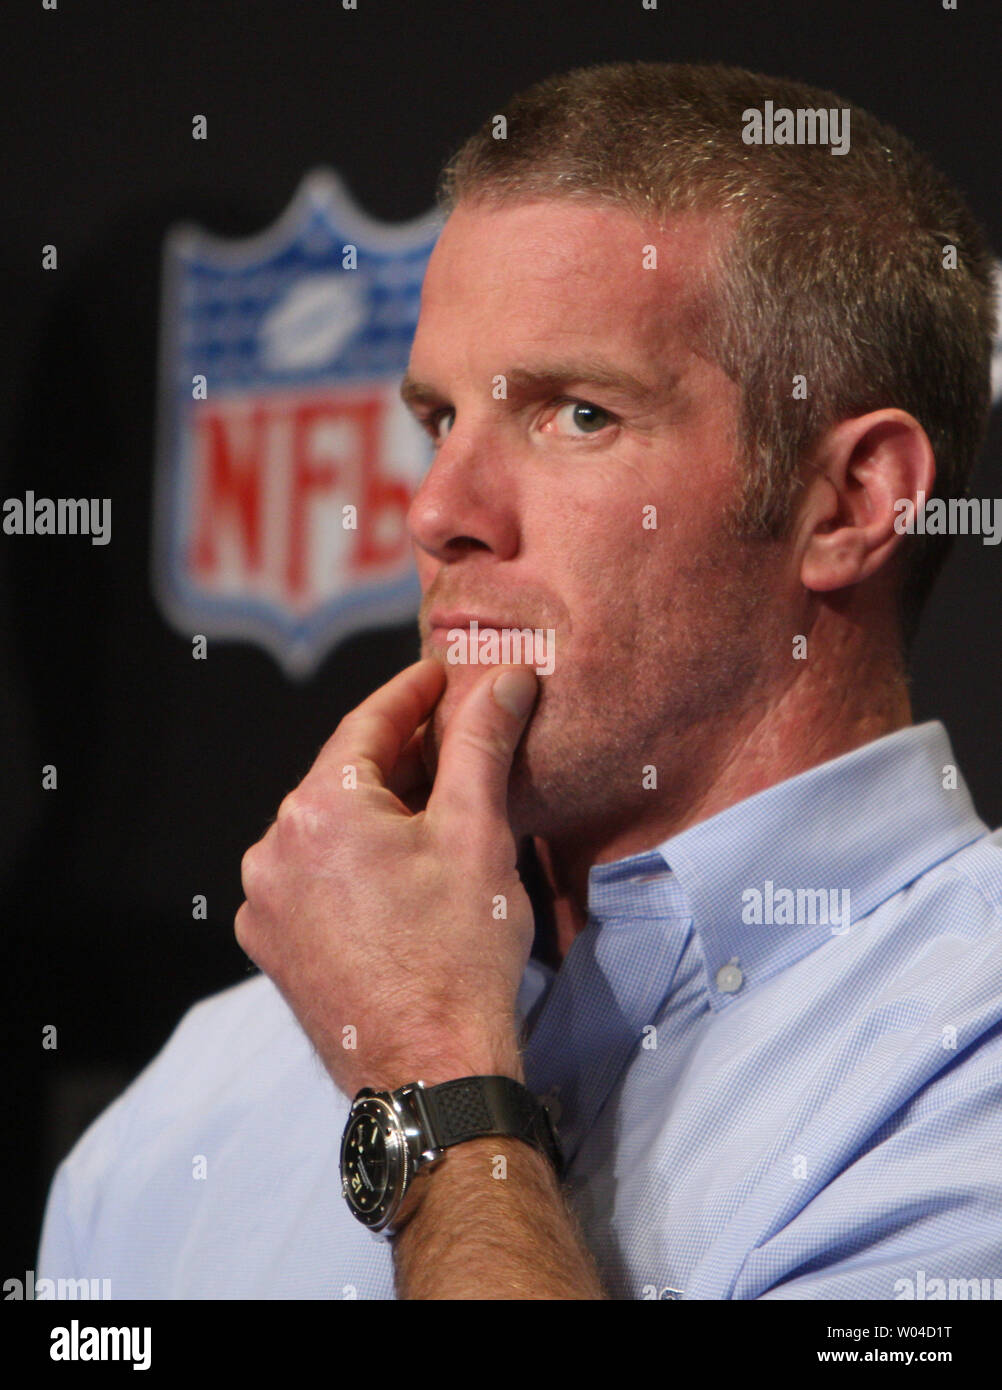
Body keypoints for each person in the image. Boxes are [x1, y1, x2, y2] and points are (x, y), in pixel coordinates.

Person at [38, 60, 1002, 1301]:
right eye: (440, 419)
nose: (440, 513)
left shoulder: (964, 1056)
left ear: (851, 503)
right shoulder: (193, 1105)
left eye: (577, 415)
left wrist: (435, 1084)